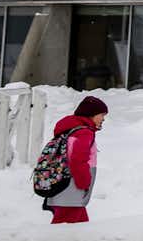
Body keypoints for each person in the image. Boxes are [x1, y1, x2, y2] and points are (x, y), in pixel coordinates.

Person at [42, 96, 109, 225]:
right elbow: (78, 160)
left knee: (80, 225)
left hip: (63, 185)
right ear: (91, 114)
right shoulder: (83, 133)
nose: (103, 119)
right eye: (101, 115)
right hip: (72, 189)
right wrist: (84, 183)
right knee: (63, 229)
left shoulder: (71, 130)